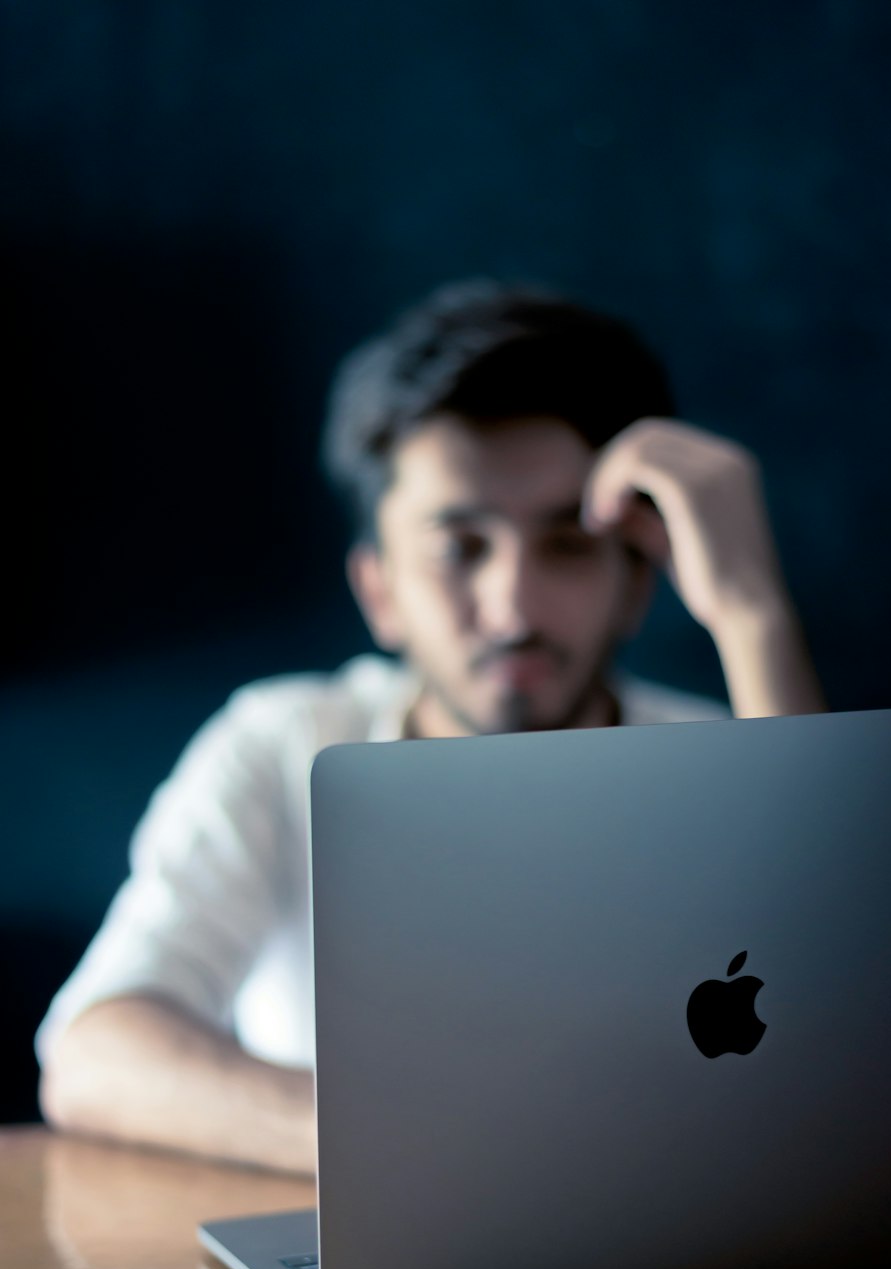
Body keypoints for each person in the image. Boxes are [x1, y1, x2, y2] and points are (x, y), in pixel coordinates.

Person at [36, 277, 826, 1174]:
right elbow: (95, 1053)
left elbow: (858, 1051)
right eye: (461, 547)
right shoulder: (281, 742)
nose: (514, 606)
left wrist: (754, 616)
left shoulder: (743, 760)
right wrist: (429, 1151)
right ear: (380, 590)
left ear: (639, 580)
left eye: (567, 543)